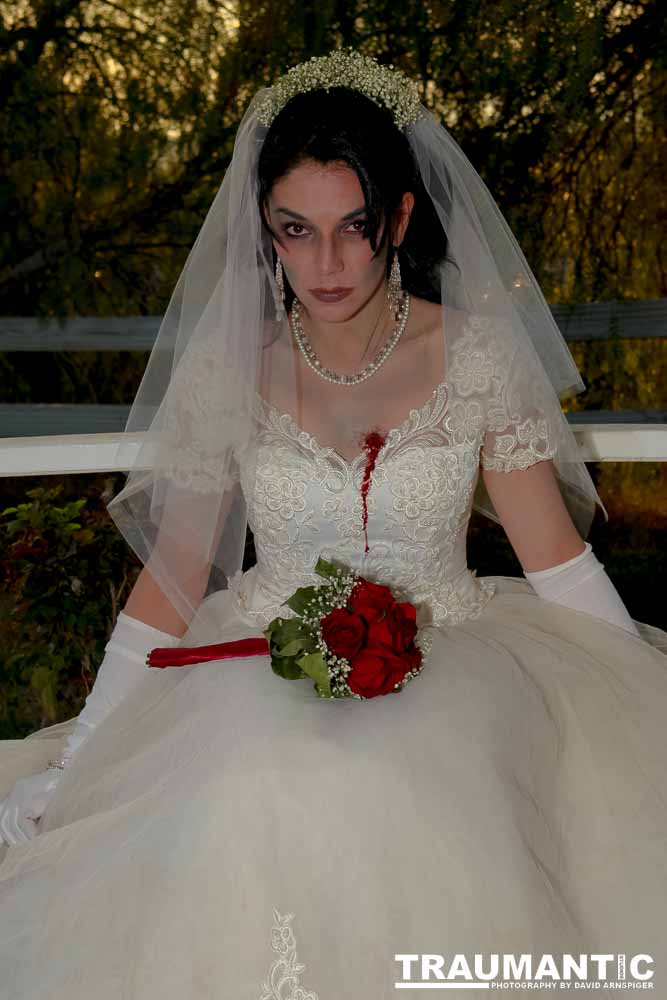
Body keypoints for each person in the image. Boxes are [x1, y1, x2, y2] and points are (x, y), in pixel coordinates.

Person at [1, 49, 666, 998]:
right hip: (253, 672)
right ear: (264, 231)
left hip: (456, 662)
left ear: (397, 217)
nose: (326, 263)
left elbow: (555, 562)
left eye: (353, 228)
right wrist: (81, 753)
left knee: (431, 799)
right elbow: (176, 572)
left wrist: (646, 710)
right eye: (295, 230)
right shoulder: (232, 365)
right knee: (253, 778)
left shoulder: (474, 352)